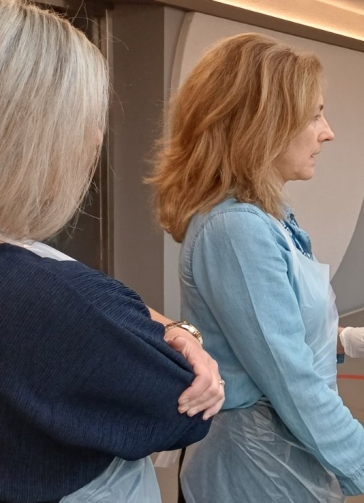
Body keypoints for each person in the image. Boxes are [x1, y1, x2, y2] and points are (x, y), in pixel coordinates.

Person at [150, 33, 364, 503]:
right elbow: (289, 379)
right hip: (255, 469)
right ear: (262, 126)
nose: (327, 132)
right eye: (314, 115)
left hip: (280, 457)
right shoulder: (237, 229)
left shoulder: (266, 213)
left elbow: (264, 332)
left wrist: (343, 339)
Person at [0, 1, 224, 501]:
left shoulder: (40, 272)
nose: (97, 139)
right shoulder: (47, 295)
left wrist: (174, 329)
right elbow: (181, 405)